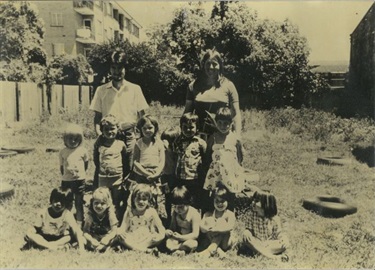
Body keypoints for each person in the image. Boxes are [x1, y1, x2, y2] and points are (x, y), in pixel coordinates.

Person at [89, 49, 149, 183]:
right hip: (108, 135)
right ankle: (106, 199)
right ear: (110, 69)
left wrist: (140, 136)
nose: (117, 71)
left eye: (120, 68)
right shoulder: (101, 90)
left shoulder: (135, 89)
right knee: (106, 169)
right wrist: (100, 134)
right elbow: (97, 118)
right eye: (113, 68)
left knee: (130, 170)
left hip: (129, 136)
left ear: (125, 69)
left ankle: (126, 201)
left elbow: (143, 117)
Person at [183, 49, 242, 139]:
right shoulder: (193, 86)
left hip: (222, 136)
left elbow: (236, 114)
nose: (211, 67)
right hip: (199, 136)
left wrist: (237, 136)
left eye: (214, 64)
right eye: (207, 64)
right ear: (203, 65)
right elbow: (187, 112)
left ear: (220, 65)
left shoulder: (229, 85)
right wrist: (183, 134)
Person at [23, 187, 85, 251]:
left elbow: (76, 230)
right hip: (45, 237)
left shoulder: (67, 214)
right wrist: (30, 231)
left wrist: (82, 248)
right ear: (51, 200)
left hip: (60, 238)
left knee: (68, 237)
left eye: (62, 202)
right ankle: (52, 246)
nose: (58, 204)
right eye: (56, 200)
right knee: (32, 235)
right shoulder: (43, 213)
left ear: (67, 203)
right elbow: (36, 228)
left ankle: (50, 246)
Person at [203, 106, 246, 198]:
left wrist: (238, 172)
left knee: (230, 195)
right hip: (216, 172)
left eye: (226, 123)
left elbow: (239, 158)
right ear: (216, 122)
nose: (222, 126)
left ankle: (230, 211)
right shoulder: (213, 138)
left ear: (231, 123)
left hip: (230, 172)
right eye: (220, 123)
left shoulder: (235, 139)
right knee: (216, 195)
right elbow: (207, 155)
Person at [93, 114, 127, 221]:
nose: (109, 132)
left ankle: (116, 221)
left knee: (116, 201)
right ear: (102, 131)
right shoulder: (99, 145)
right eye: (106, 129)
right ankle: (104, 220)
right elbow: (95, 159)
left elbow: (125, 160)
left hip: (117, 177)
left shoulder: (120, 144)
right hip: (103, 178)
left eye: (112, 129)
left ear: (117, 129)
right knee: (103, 199)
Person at [241, 190, 289, 261]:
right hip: (256, 242)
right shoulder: (251, 214)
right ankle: (273, 257)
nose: (253, 202)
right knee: (247, 240)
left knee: (283, 245)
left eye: (256, 201)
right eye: (253, 200)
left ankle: (260, 252)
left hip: (269, 244)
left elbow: (279, 233)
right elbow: (249, 229)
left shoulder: (274, 219)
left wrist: (284, 239)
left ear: (266, 204)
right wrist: (247, 232)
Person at [173, 113, 207, 212]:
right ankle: (183, 219)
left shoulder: (200, 143)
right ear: (180, 127)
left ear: (197, 128)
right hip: (181, 177)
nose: (188, 130)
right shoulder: (177, 141)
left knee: (195, 200)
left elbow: (204, 159)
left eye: (191, 127)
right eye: (185, 127)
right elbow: (175, 156)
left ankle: (195, 219)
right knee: (182, 199)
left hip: (194, 178)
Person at [117, 184, 165, 254]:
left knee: (157, 237)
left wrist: (160, 237)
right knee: (120, 237)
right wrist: (120, 232)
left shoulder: (151, 211)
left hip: (147, 238)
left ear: (149, 200)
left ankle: (136, 248)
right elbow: (123, 227)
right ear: (133, 199)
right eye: (138, 198)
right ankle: (145, 250)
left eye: (144, 199)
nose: (141, 202)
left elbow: (161, 227)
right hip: (132, 237)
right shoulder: (129, 212)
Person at [59, 123, 89, 226]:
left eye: (76, 139)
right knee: (67, 202)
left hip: (79, 180)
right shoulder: (63, 152)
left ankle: (79, 223)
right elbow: (62, 167)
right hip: (66, 181)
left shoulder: (83, 151)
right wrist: (66, 177)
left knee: (79, 202)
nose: (72, 141)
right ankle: (68, 222)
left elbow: (86, 164)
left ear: (80, 140)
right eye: (70, 138)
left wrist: (80, 175)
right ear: (65, 139)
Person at [199, 185, 236, 258]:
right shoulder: (208, 214)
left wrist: (217, 229)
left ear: (227, 201)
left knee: (220, 221)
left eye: (222, 201)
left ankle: (210, 250)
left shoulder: (229, 214)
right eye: (217, 201)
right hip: (212, 239)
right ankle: (217, 249)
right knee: (209, 220)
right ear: (213, 201)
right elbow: (201, 227)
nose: (219, 204)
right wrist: (206, 228)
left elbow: (230, 227)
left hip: (226, 242)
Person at [165, 186, 201, 256]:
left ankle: (176, 248)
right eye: (175, 206)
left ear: (188, 203)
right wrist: (168, 232)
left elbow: (195, 234)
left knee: (192, 244)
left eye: (181, 207)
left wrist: (181, 238)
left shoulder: (194, 214)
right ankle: (181, 251)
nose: (178, 209)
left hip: (190, 239)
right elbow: (172, 228)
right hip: (178, 238)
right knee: (169, 241)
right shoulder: (175, 213)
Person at [83, 187, 118, 252]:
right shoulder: (90, 214)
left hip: (107, 236)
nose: (99, 206)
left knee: (117, 238)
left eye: (102, 203)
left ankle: (104, 247)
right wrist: (91, 240)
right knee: (83, 240)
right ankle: (102, 247)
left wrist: (107, 238)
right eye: (96, 203)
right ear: (92, 202)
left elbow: (114, 231)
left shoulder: (110, 214)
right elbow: (85, 231)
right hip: (94, 236)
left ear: (108, 204)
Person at [160, 127, 180, 224]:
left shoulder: (176, 151)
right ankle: (168, 217)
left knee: (177, 196)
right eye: (164, 139)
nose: (165, 142)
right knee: (167, 197)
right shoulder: (162, 150)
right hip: (166, 176)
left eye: (168, 140)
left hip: (176, 177)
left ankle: (178, 217)